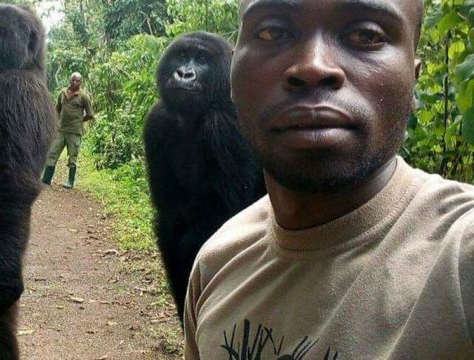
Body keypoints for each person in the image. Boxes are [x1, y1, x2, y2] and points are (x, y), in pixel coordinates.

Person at [184, 0, 474, 359]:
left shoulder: (460, 255)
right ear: (232, 76)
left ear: (413, 80)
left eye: (365, 34)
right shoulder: (217, 264)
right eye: (272, 30)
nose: (312, 66)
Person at [42, 72, 94, 188]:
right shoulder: (63, 93)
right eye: (73, 80)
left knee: (72, 157)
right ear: (70, 80)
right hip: (61, 130)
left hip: (74, 132)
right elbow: (57, 110)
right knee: (52, 153)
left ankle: (70, 182)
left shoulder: (83, 96)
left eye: (78, 81)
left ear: (81, 82)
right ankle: (46, 179)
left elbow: (90, 114)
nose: (75, 82)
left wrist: (79, 121)